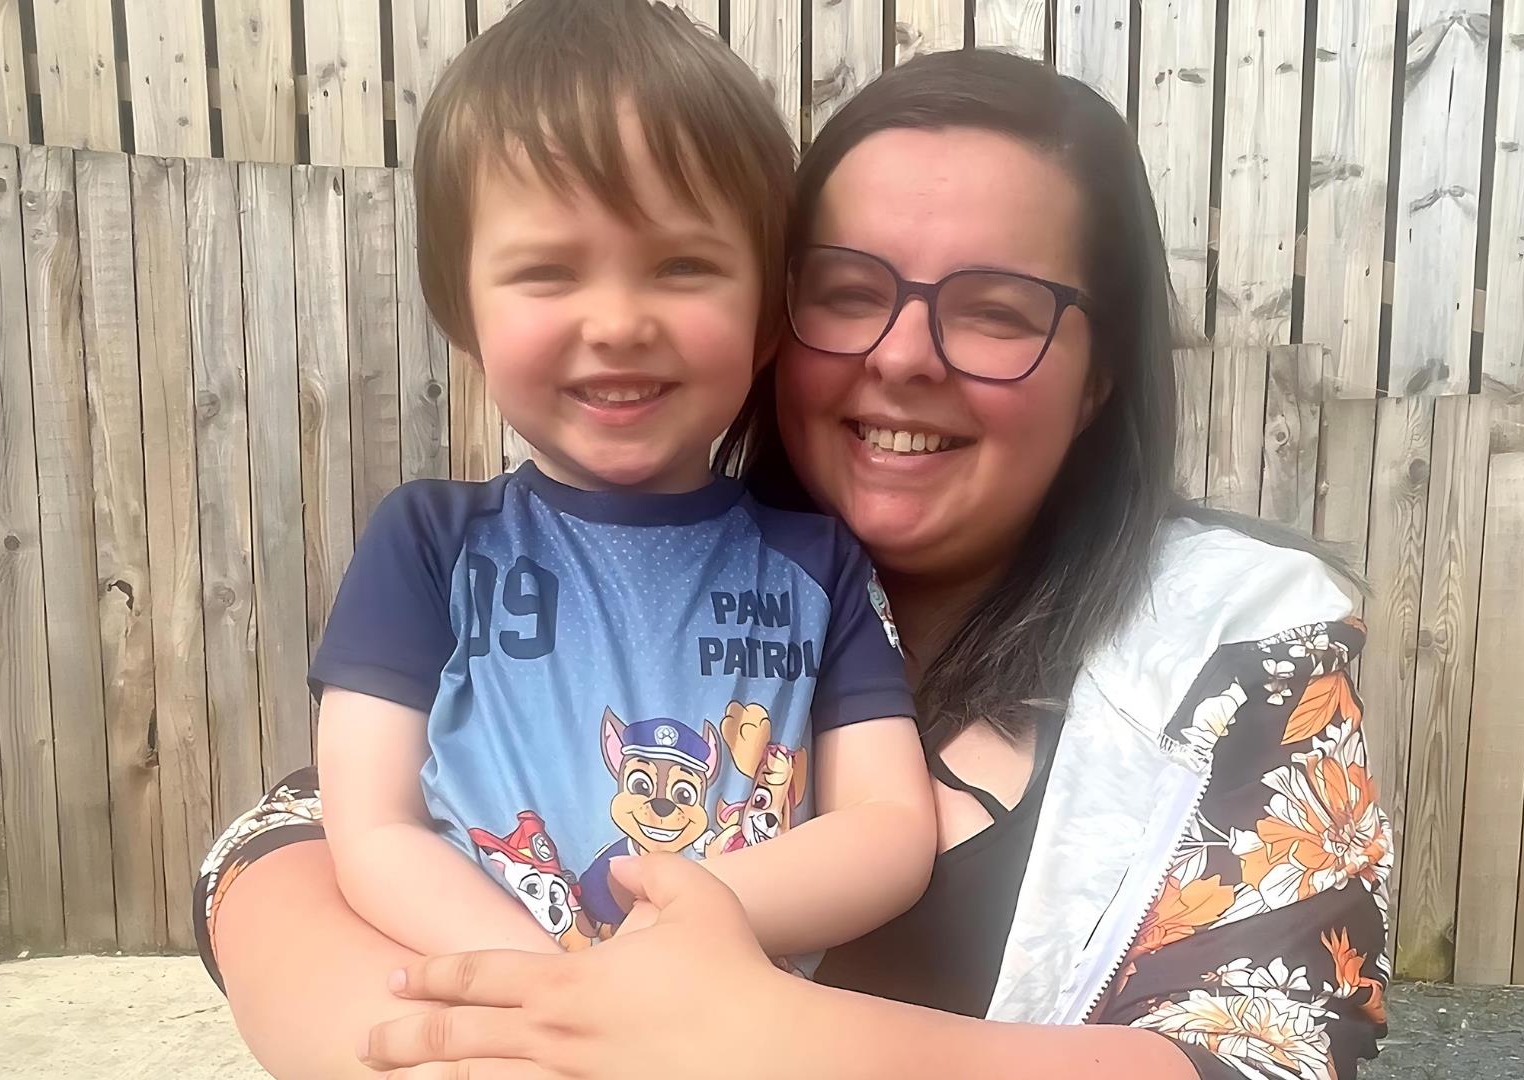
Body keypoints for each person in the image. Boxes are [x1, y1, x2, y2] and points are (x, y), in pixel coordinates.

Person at [208, 46, 1394, 1080]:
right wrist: (495, 1034)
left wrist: (774, 1045)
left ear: (1103, 372)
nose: (906, 358)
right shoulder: (548, 554)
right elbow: (309, 837)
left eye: (994, 309)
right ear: (784, 320)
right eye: (847, 292)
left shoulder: (1231, 652)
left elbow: (1270, 1052)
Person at [190, 0, 936, 1022]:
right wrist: (556, 989)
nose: (620, 321)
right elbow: (372, 829)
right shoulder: (427, 546)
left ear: (768, 314)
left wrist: (686, 929)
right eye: (547, 270)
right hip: (503, 1028)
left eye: (682, 266)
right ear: (464, 309)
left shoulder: (819, 566)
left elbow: (891, 828)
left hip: (729, 1030)